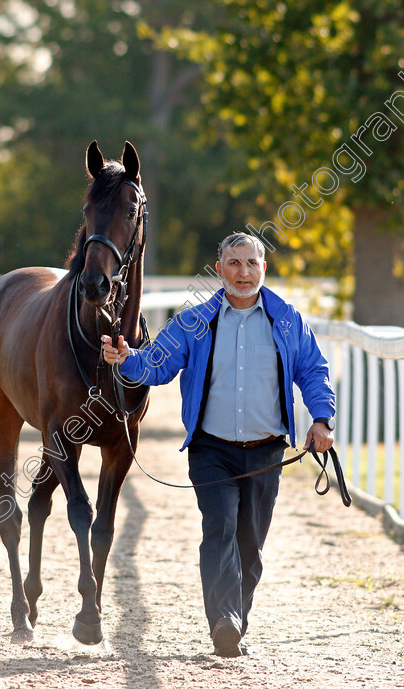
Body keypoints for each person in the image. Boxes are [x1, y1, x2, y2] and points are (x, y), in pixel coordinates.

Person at [101, 232, 335, 657]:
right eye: (233, 263)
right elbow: (157, 364)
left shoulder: (287, 319)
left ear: (263, 268)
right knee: (219, 528)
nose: (243, 273)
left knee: (251, 543)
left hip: (267, 451)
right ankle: (223, 622)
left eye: (251, 263)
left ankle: (236, 618)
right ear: (219, 268)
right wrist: (126, 360)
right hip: (211, 449)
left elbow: (313, 371)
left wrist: (321, 419)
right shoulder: (194, 321)